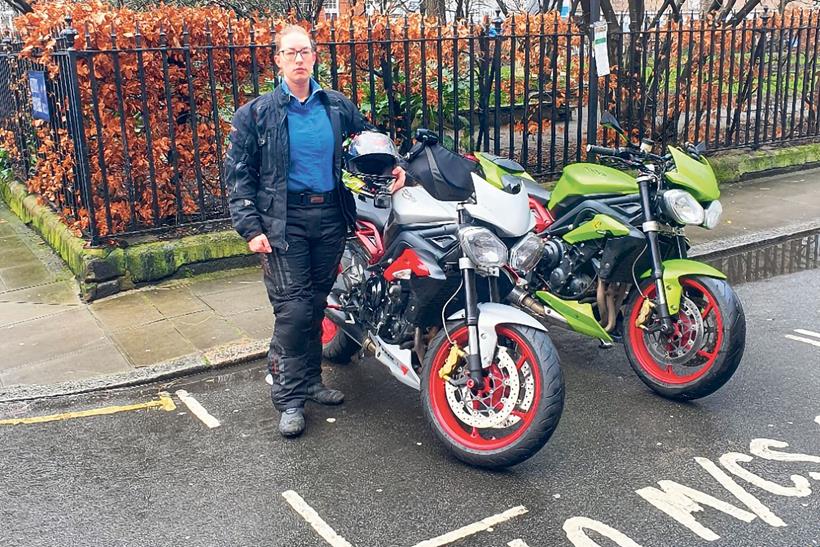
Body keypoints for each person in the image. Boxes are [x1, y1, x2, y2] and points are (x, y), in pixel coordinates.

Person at [225, 25, 406, 438]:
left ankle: (310, 382)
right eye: (290, 53)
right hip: (281, 223)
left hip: (328, 219)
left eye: (304, 52)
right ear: (277, 60)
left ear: (315, 56)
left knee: (318, 303)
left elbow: (369, 144)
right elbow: (238, 176)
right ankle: (288, 398)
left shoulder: (336, 106)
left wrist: (394, 168)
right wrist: (250, 227)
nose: (299, 59)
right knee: (293, 311)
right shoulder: (256, 113)